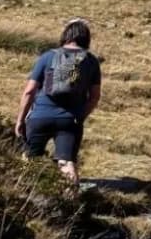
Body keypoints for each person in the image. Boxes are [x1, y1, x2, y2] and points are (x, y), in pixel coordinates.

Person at [16, 17, 102, 187]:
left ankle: (24, 197)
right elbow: (95, 96)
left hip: (40, 116)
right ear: (86, 37)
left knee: (29, 159)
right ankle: (71, 202)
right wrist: (80, 116)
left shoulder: (48, 57)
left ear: (66, 34)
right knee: (66, 162)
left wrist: (20, 119)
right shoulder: (91, 61)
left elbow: (29, 91)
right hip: (70, 119)